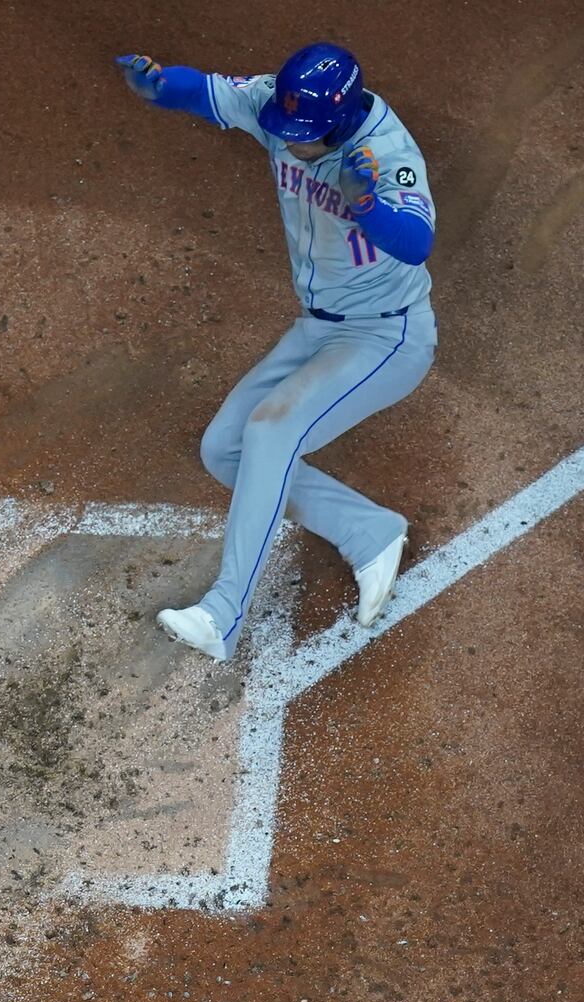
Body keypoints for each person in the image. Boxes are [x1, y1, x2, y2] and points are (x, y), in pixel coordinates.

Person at [115, 43, 438, 660]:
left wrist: (367, 204)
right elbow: (204, 91)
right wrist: (161, 85)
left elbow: (417, 240)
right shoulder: (281, 107)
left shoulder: (385, 155)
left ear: (340, 123)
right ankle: (367, 530)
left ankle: (222, 616)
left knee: (269, 433)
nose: (289, 145)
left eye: (305, 137)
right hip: (319, 328)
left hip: (386, 336)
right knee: (223, 450)